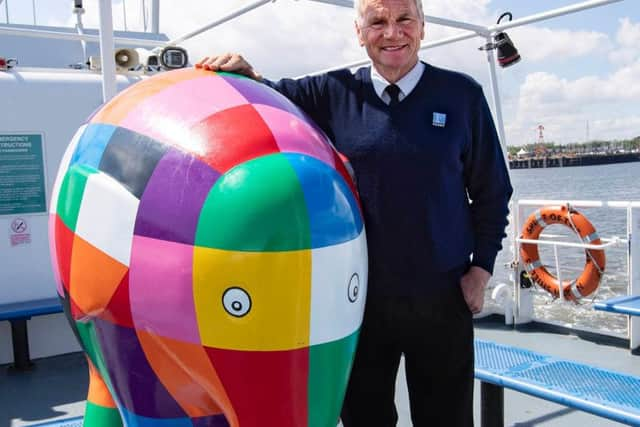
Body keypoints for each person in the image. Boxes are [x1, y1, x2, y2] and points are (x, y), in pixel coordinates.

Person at [197, 0, 513, 425]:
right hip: (357, 298)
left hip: (442, 296)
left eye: (404, 20)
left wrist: (482, 270)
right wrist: (239, 70)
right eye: (377, 22)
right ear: (359, 32)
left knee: (447, 419)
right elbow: (263, 92)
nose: (392, 32)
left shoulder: (463, 96)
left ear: (423, 28)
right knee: (364, 417)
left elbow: (493, 191)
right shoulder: (330, 93)